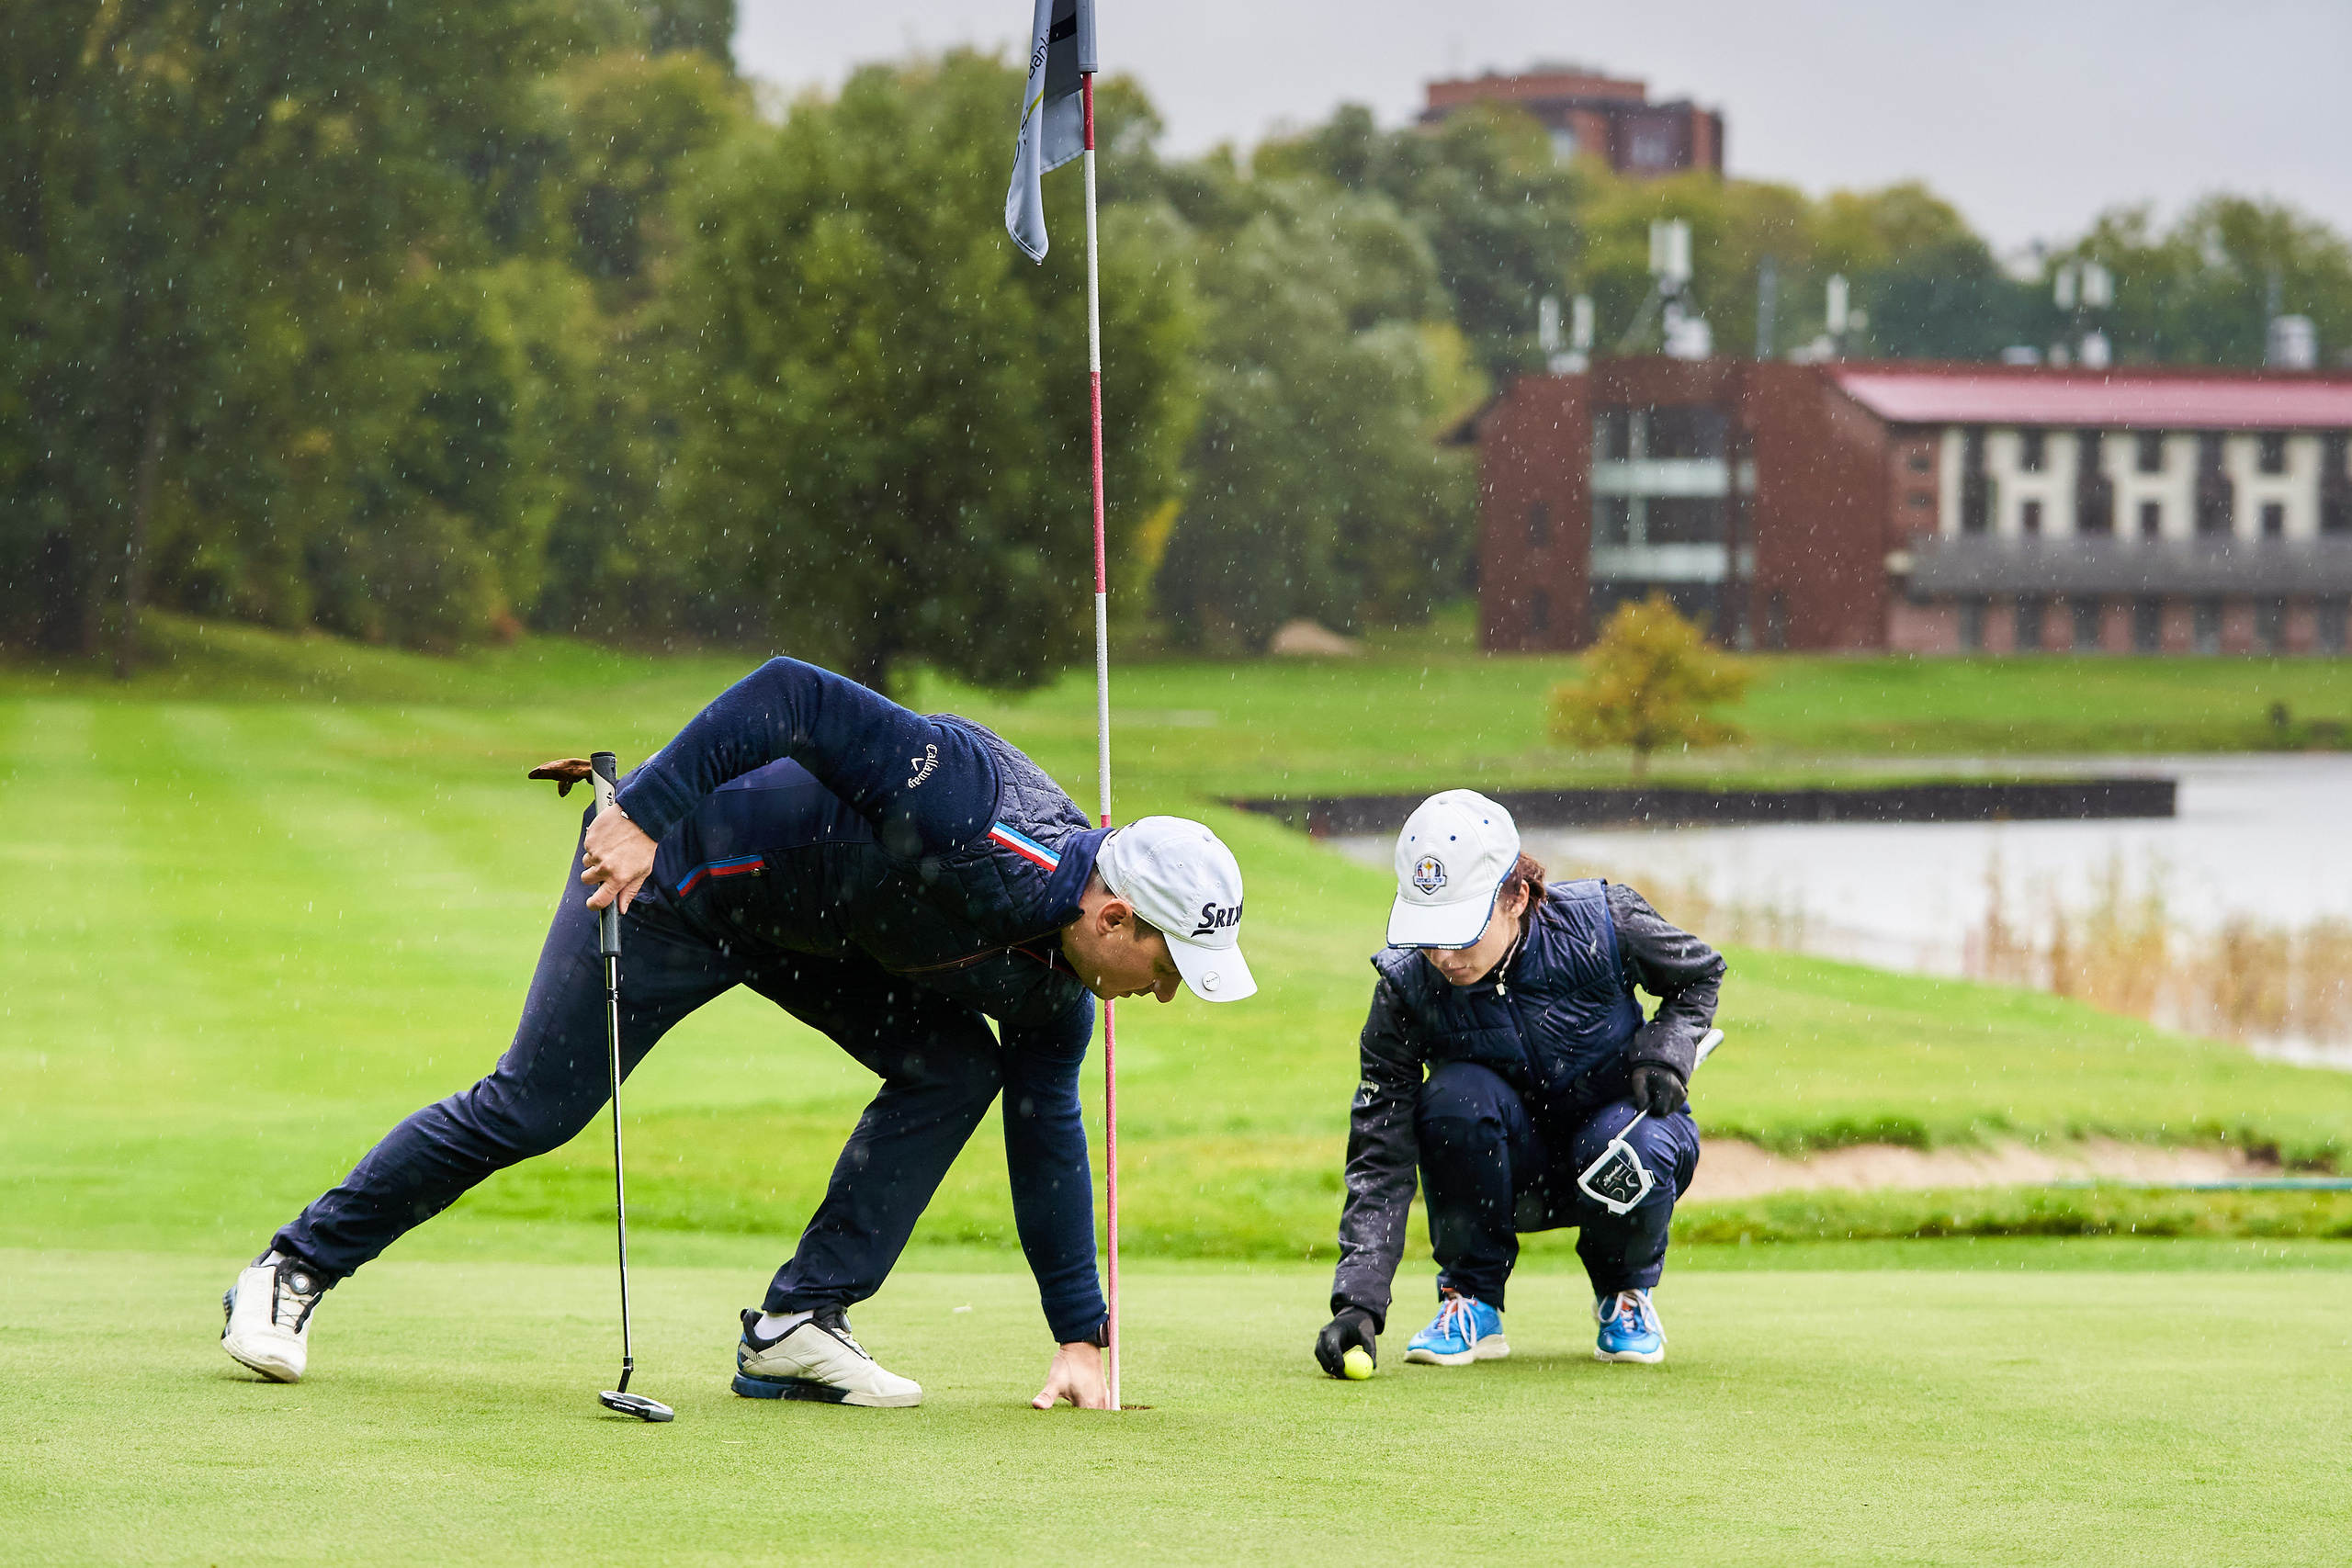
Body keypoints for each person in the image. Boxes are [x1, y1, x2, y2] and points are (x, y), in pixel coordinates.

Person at [220, 657, 1256, 1409]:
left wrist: (1081, 1335)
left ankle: (797, 1325)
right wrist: (643, 814)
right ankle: (290, 1269)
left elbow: (1048, 1138)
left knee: (952, 1068)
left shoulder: (1058, 993)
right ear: (1114, 918)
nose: (1162, 994)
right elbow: (791, 695)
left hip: (815, 937)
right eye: (1167, 968)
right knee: (536, 1106)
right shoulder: (965, 805)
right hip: (674, 881)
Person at [1312, 789, 1722, 1375]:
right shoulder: (1406, 986)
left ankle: (1625, 1294)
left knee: (1639, 1144)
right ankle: (1472, 1302)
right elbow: (1381, 1146)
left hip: (1613, 1133)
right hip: (1501, 1170)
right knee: (1454, 1097)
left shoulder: (1604, 920)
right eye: (1431, 932)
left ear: (1517, 898)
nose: (1444, 956)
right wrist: (1358, 1301)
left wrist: (1668, 1050)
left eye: (1462, 930)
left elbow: (1700, 975)